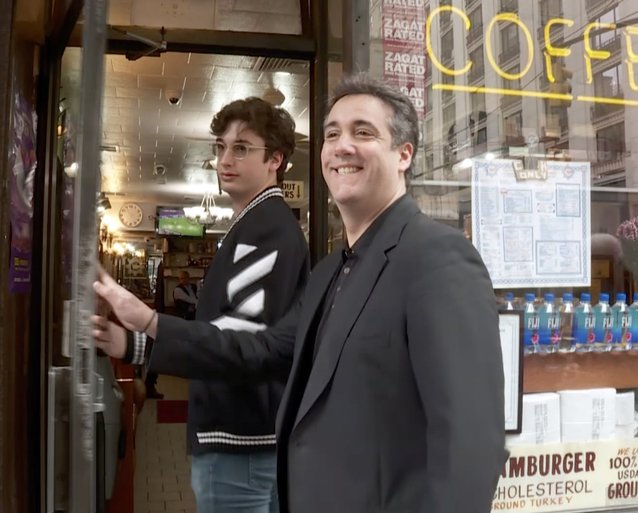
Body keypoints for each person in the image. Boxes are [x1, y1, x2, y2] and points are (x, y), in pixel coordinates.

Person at [93, 74, 506, 513]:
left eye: (363, 132)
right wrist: (147, 328)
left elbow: (470, 445)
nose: (342, 146)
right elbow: (265, 349)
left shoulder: (439, 258)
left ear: (403, 154)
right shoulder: (331, 271)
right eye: (332, 134)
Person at [100, 97, 310, 513]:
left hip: (239, 442)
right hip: (246, 439)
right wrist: (133, 345)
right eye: (220, 147)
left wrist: (149, 320)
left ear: (276, 160)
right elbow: (230, 334)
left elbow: (242, 349)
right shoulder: (253, 224)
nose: (224, 160)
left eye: (242, 148)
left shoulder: (263, 228)